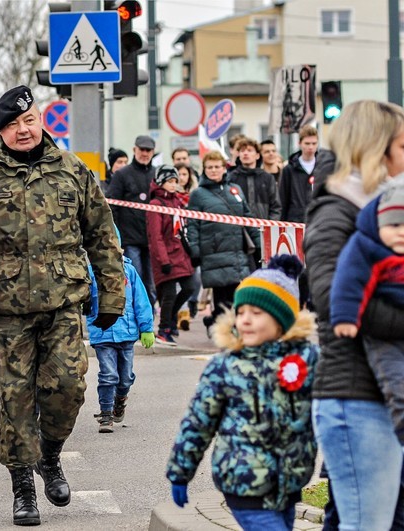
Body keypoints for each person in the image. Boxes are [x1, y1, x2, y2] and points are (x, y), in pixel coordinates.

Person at [0, 85, 125, 526]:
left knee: (68, 389)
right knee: (14, 400)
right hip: (6, 310)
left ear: (41, 120)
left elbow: (102, 236)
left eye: (28, 121)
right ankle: (23, 486)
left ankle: (50, 455)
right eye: (12, 125)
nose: (22, 131)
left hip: (63, 304)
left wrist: (111, 296)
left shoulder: (72, 170)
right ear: (1, 131)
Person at [304, 100, 404, 529]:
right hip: (359, 395)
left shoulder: (385, 205)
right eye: (402, 144)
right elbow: (329, 296)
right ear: (375, 148)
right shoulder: (337, 208)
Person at [167, 256, 318, 530]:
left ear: (282, 318)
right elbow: (198, 422)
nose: (245, 320)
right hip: (242, 481)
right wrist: (180, 472)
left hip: (288, 482)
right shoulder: (226, 366)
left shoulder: (306, 360)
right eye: (241, 312)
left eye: (257, 313)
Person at [330, 181, 404, 448]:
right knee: (397, 385)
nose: (401, 234)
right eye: (394, 226)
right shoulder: (365, 246)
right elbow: (348, 282)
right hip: (383, 337)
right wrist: (346, 318)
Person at [87, 229, 154, 433]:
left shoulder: (129, 272)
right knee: (108, 375)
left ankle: (120, 400)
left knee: (125, 378)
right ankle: (105, 414)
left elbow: (141, 301)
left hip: (127, 333)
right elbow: (83, 300)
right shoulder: (91, 272)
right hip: (103, 333)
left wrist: (146, 328)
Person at [187, 151, 260, 336]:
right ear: (204, 170)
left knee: (237, 293)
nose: (213, 171)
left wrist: (259, 242)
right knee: (221, 294)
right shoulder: (198, 194)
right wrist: (194, 249)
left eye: (217, 167)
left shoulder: (234, 189)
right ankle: (223, 328)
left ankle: (227, 326)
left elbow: (247, 217)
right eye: (209, 167)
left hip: (236, 249)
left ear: (224, 168)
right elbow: (192, 224)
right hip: (213, 251)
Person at [107, 134, 157, 305]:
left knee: (150, 285)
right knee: (135, 281)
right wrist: (116, 236)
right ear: (134, 150)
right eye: (142, 149)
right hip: (129, 240)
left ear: (153, 152)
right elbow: (111, 205)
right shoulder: (122, 175)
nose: (145, 153)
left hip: (151, 240)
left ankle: (148, 325)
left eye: (148, 150)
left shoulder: (156, 175)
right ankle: (134, 324)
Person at [147, 166, 195, 344]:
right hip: (164, 256)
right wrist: (163, 260)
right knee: (168, 294)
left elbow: (182, 229)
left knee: (190, 287)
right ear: (161, 183)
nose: (174, 185)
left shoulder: (177, 202)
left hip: (180, 253)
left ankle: (171, 318)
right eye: (170, 181)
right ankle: (163, 329)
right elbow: (155, 235)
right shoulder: (155, 205)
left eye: (175, 181)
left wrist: (190, 250)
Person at [229, 137, 281, 221]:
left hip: (263, 227)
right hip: (239, 228)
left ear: (257, 155)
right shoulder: (231, 177)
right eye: (242, 151)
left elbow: (276, 206)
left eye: (249, 150)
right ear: (239, 155)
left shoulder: (268, 178)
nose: (246, 153)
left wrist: (270, 226)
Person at [175, 163, 201, 323]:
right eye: (178, 174)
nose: (181, 178)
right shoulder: (171, 196)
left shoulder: (195, 195)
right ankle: (182, 313)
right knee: (180, 277)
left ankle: (193, 301)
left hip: (193, 238)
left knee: (196, 277)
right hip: (178, 240)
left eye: (184, 174)